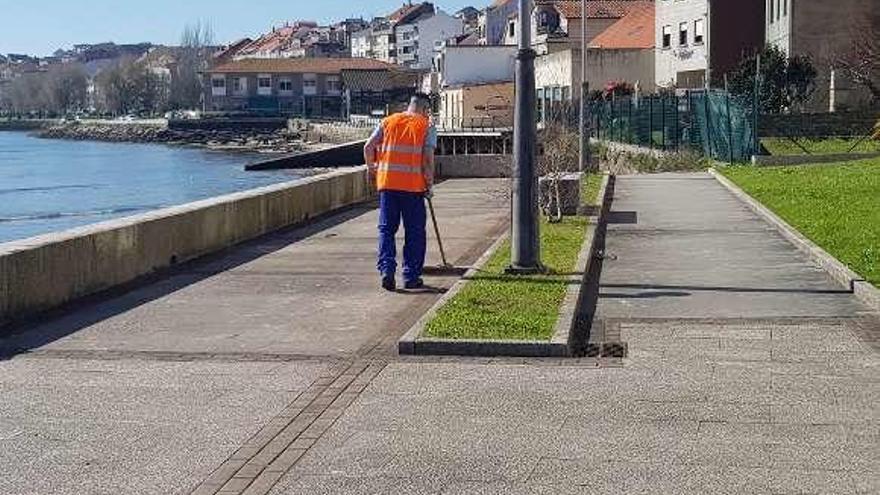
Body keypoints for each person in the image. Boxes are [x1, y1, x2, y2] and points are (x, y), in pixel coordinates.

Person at [363, 94, 437, 291]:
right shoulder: (426, 126)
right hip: (413, 187)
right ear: (425, 109)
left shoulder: (388, 121)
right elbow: (428, 161)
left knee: (386, 230)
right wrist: (429, 186)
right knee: (414, 233)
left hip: (387, 184)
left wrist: (372, 169)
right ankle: (410, 277)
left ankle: (387, 270)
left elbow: (368, 147)